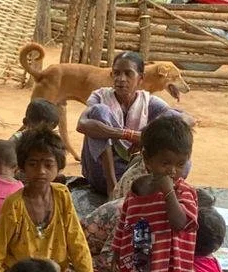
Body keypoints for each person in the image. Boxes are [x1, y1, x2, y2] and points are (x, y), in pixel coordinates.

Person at [0, 130, 106, 272]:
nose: (41, 171)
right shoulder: (14, 204)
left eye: (48, 165)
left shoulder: (62, 194)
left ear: (58, 167)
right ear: (22, 166)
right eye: (33, 164)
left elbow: (76, 239)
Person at [112, 115, 199, 272]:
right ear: (147, 159)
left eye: (180, 164)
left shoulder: (183, 192)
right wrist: (116, 253)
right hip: (140, 267)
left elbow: (181, 223)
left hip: (170, 269)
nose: (172, 171)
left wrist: (168, 192)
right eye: (165, 163)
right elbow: (124, 224)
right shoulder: (136, 192)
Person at [76, 50, 189, 194]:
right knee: (99, 111)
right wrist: (128, 135)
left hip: (134, 174)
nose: (121, 79)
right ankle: (113, 189)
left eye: (128, 74)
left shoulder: (148, 102)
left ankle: (160, 190)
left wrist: (148, 135)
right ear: (112, 76)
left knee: (172, 126)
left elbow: (186, 119)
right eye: (116, 73)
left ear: (140, 78)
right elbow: (82, 124)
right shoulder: (99, 97)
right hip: (101, 174)